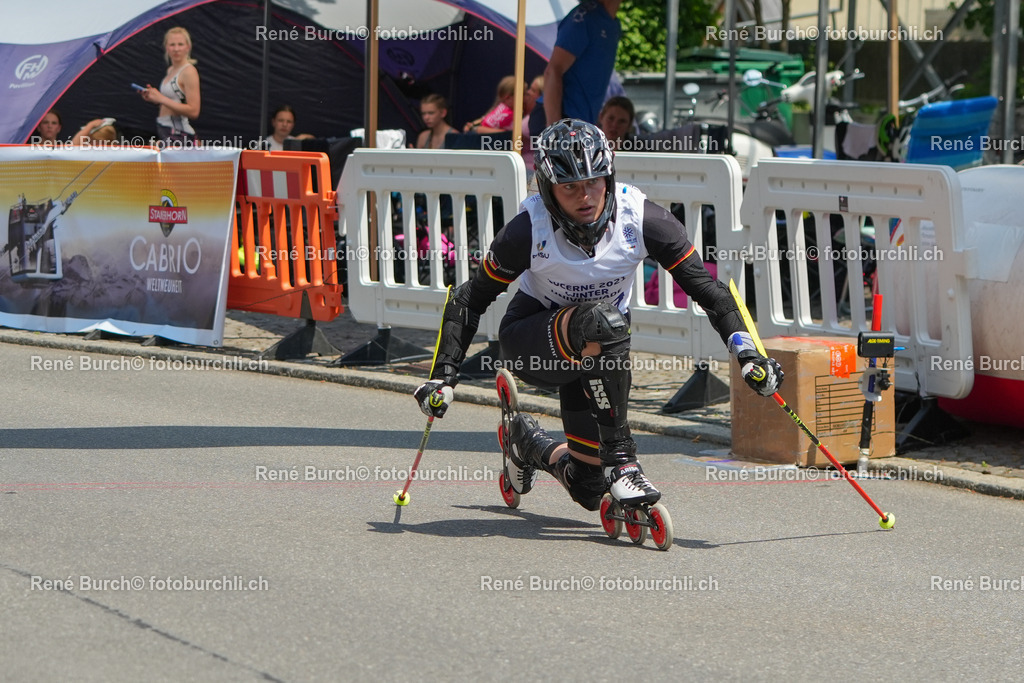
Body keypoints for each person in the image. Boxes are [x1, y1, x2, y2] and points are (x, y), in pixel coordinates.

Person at [413, 119, 783, 511]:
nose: (585, 196)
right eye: (569, 186)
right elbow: (470, 299)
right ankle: (623, 463)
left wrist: (748, 353)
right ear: (549, 188)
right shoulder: (527, 230)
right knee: (603, 321)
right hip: (532, 342)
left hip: (597, 357)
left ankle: (528, 443)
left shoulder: (643, 219)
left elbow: (710, 292)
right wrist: (443, 376)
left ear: (609, 176)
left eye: (594, 181)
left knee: (587, 487)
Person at [544, 0, 622, 126]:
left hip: (579, 122)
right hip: (562, 119)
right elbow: (553, 70)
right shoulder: (583, 18)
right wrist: (555, 128)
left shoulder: (613, 24)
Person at [139, 26, 200, 144]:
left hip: (179, 133)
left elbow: (194, 111)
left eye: (180, 44)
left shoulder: (189, 72)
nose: (176, 49)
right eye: (172, 45)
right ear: (166, 47)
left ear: (188, 47)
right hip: (165, 128)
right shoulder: (171, 70)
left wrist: (161, 98)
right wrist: (154, 98)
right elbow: (174, 101)